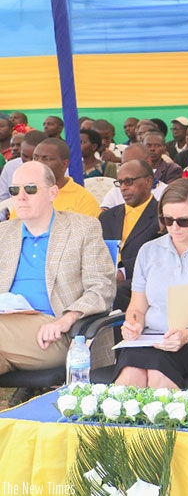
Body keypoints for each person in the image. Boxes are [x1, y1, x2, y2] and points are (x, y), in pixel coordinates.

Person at [0, 162, 115, 403]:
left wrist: (66, 320)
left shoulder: (82, 228)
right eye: (14, 191)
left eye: (30, 189)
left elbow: (101, 288)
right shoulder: (4, 234)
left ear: (52, 192)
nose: (20, 197)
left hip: (57, 334)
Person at [114, 179, 188, 389]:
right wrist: (134, 324)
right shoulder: (149, 251)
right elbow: (137, 307)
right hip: (151, 337)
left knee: (157, 371)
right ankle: (119, 422)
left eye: (183, 221)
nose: (174, 227)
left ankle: (160, 420)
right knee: (131, 372)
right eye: (167, 220)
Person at [99, 160, 162, 312]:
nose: (123, 188)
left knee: (119, 291)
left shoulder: (162, 215)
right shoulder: (107, 217)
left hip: (142, 280)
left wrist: (123, 272)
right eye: (119, 183)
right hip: (105, 278)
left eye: (129, 181)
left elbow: (159, 255)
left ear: (148, 181)